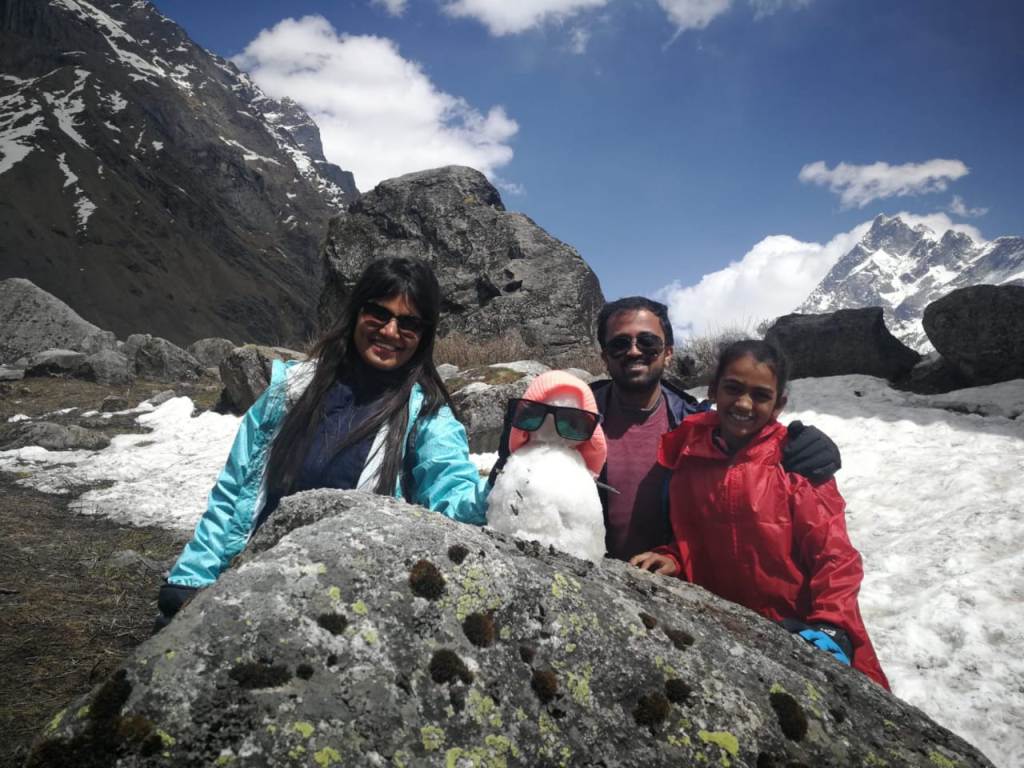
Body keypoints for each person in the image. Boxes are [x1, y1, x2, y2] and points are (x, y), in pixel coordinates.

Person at [156, 257, 489, 628]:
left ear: (424, 335)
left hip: (349, 603)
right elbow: (236, 490)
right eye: (378, 313)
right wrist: (194, 575)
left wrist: (502, 488)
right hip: (255, 580)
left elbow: (450, 495)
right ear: (356, 311)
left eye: (409, 323)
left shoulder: (426, 416)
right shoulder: (292, 390)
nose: (391, 331)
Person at [630, 340, 889, 688]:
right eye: (733, 389)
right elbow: (695, 534)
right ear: (713, 390)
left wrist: (832, 626)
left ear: (779, 404)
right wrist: (674, 558)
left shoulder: (796, 461)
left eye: (761, 395)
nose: (743, 404)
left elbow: (835, 556)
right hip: (729, 638)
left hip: (806, 635)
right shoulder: (689, 456)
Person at [590, 297, 841, 561]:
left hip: (676, 583)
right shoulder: (575, 419)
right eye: (619, 343)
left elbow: (757, 437)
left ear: (668, 353)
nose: (633, 351)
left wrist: (816, 448)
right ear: (605, 356)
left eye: (647, 342)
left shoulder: (697, 427)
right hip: (595, 578)